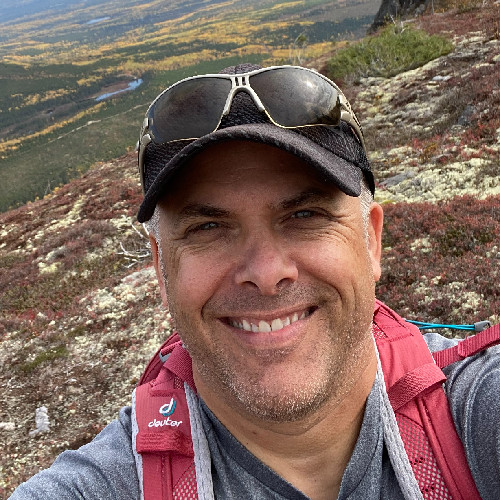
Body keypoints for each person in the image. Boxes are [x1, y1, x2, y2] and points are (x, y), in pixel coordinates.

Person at [9, 64, 500, 500]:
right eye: (208, 227)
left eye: (305, 215)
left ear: (370, 242)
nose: (266, 274)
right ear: (162, 268)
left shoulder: (476, 410)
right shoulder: (104, 483)